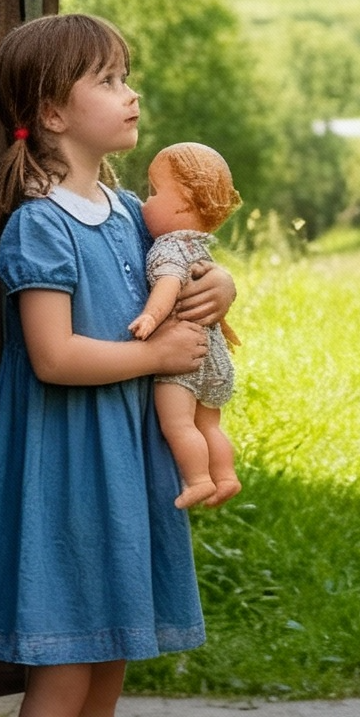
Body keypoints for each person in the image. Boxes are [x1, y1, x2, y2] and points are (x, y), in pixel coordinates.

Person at [0, 14, 228, 717]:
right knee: (63, 678)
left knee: (105, 673)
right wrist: (157, 351)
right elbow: (55, 355)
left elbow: (192, 264)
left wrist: (216, 293)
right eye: (110, 80)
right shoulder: (39, 225)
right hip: (64, 474)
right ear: (50, 111)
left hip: (119, 467)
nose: (132, 93)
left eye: (127, 74)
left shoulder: (123, 212)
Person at [131, 141, 245, 509]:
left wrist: (151, 315)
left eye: (152, 192)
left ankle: (198, 481)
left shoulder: (167, 247)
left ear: (181, 203)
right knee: (209, 425)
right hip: (214, 358)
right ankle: (225, 477)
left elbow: (168, 285)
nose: (144, 202)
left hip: (183, 360)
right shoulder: (199, 247)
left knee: (179, 425)